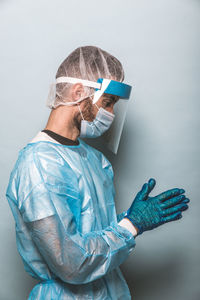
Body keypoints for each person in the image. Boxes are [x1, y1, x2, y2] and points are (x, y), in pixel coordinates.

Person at [6, 46, 189, 300]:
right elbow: (70, 262)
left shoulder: (95, 160)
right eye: (107, 102)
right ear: (78, 92)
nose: (111, 114)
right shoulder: (38, 164)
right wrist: (131, 226)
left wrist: (129, 219)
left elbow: (91, 233)